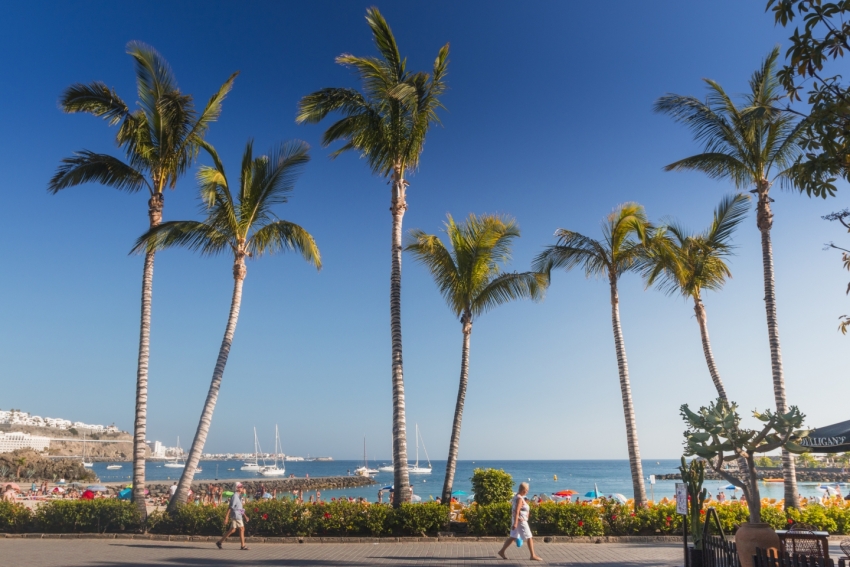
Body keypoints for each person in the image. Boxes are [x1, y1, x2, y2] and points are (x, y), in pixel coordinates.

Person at [497, 482, 542, 561]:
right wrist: (515, 523)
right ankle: (532, 555)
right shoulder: (519, 498)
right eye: (527, 490)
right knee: (529, 537)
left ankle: (501, 551)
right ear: (524, 490)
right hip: (521, 521)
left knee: (513, 536)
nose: (527, 492)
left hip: (517, 519)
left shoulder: (517, 496)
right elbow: (517, 510)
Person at [217, 482, 250, 551]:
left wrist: (245, 516)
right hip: (236, 514)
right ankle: (243, 546)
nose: (242, 488)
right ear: (237, 488)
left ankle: (219, 542)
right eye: (240, 487)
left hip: (238, 514)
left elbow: (240, 508)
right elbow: (230, 507)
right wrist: (226, 517)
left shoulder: (239, 496)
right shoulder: (235, 496)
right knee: (242, 529)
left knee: (232, 530)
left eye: (242, 487)